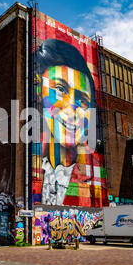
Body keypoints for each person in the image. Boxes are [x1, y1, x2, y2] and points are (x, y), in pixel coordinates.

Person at [33, 38, 108, 207]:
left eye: (82, 100)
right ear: (38, 92)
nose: (71, 107)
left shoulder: (96, 174)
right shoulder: (28, 161)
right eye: (60, 89)